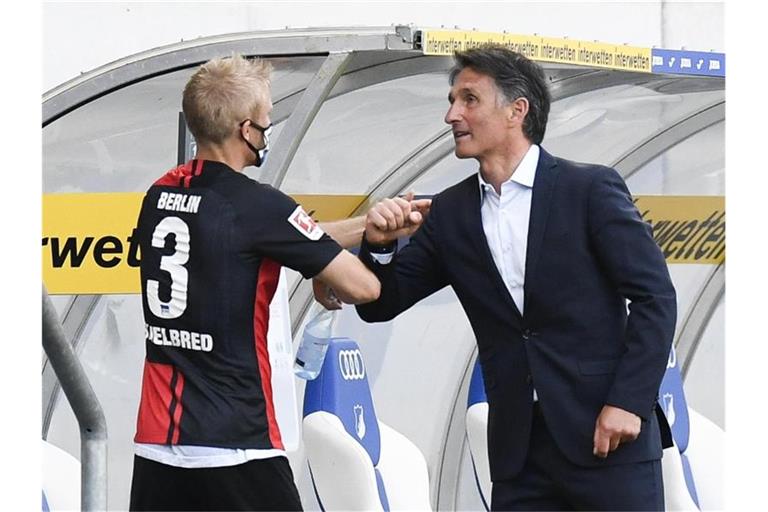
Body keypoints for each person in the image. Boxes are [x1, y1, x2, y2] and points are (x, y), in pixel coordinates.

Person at [350, 46, 677, 510]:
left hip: (607, 438)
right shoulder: (450, 212)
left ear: (516, 111)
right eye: (451, 100)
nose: (451, 115)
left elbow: (655, 297)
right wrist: (380, 243)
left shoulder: (589, 189)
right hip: (519, 455)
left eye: (469, 99)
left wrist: (629, 402)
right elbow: (380, 304)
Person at [129, 54, 381, 511]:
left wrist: (367, 224)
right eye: (265, 124)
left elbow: (279, 240)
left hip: (158, 444)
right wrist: (373, 246)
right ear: (246, 131)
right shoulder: (257, 205)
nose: (266, 134)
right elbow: (363, 287)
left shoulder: (159, 195)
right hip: (237, 442)